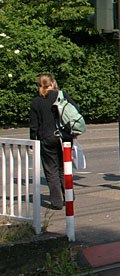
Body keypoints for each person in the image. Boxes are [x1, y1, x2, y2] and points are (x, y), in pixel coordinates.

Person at [28, 73, 65, 209]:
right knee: (64, 168)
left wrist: (33, 140)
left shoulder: (36, 102)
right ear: (53, 83)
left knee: (51, 170)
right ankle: (69, 197)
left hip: (46, 138)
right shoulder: (61, 96)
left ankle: (56, 202)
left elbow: (34, 125)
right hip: (63, 137)